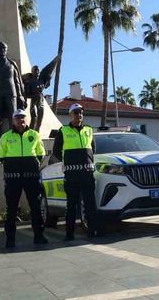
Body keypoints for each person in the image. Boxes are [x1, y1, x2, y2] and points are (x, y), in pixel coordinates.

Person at [0, 109, 48, 248]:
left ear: (27, 119)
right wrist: (10, 168)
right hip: (13, 179)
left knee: (36, 207)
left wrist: (33, 165)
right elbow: (0, 155)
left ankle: (39, 236)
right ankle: (10, 240)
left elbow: (41, 153)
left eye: (23, 117)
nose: (21, 119)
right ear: (13, 120)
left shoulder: (34, 135)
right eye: (18, 117)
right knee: (11, 208)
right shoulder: (5, 136)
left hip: (31, 178)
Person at [52, 103, 99, 240]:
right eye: (76, 113)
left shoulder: (89, 130)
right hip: (72, 175)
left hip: (87, 174)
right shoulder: (63, 130)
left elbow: (93, 149)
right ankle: (69, 233)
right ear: (70, 115)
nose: (79, 115)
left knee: (90, 204)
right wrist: (69, 162)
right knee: (71, 204)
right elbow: (56, 151)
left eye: (81, 113)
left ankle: (92, 231)